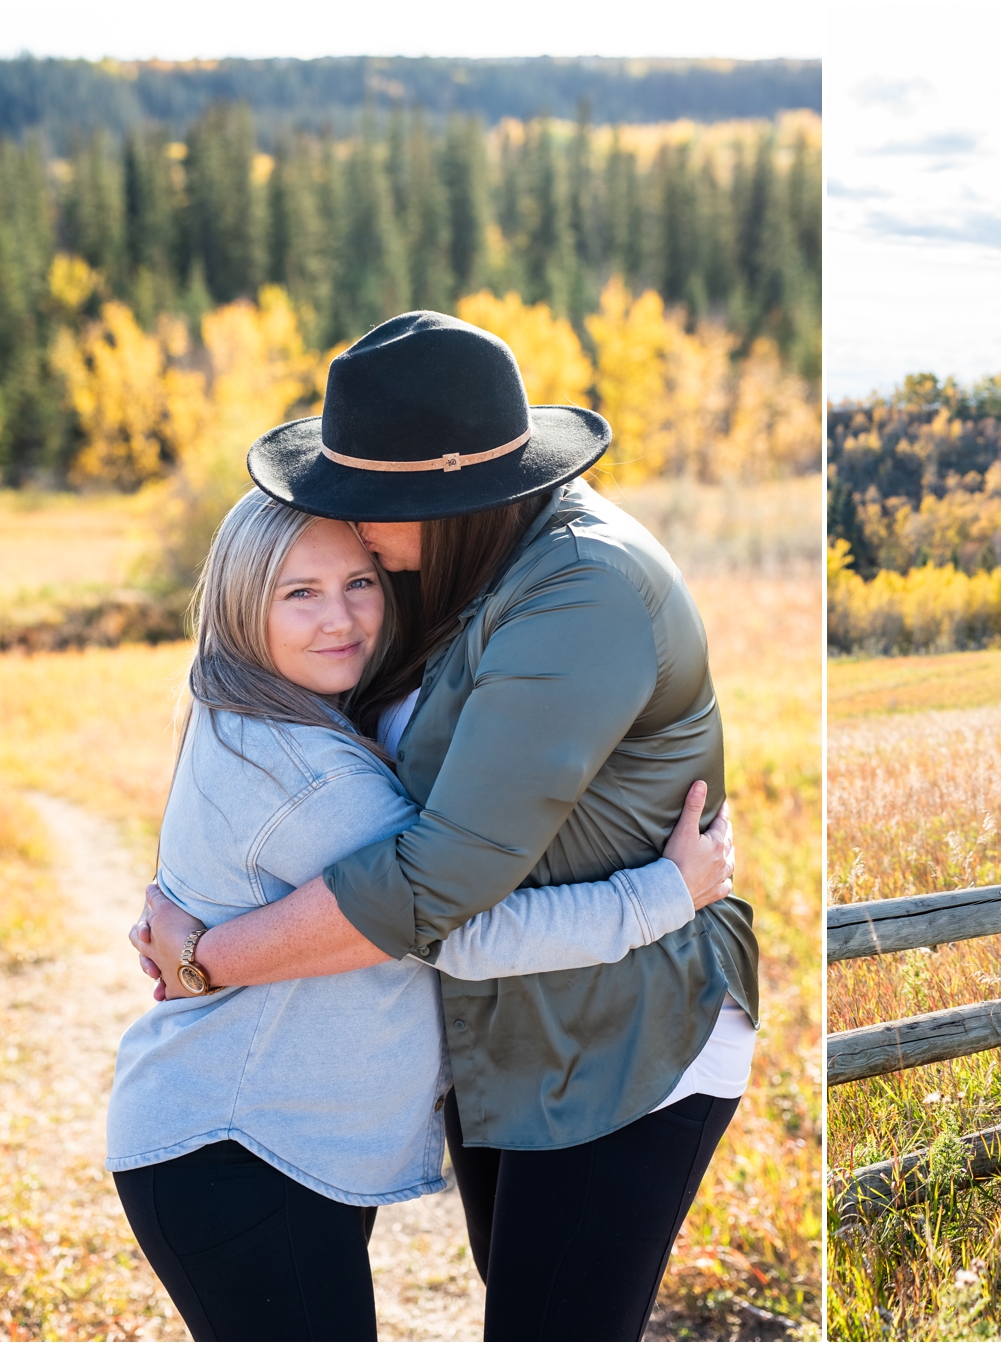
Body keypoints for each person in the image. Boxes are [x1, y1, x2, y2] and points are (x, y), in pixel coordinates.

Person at [132, 310, 757, 1341]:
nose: (353, 530)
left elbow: (433, 883)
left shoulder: (582, 589)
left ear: (448, 496)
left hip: (620, 1029)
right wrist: (196, 892)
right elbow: (323, 779)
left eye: (367, 509)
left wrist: (211, 953)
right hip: (504, 1027)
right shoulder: (454, 570)